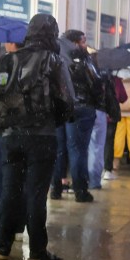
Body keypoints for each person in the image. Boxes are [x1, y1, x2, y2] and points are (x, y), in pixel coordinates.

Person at [0, 13, 73, 260]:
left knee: (9, 191)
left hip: (10, 136)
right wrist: (52, 120)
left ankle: (2, 247)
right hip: (42, 137)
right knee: (36, 193)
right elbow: (68, 101)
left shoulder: (6, 60)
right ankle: (36, 250)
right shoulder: (54, 61)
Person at [51, 30, 101, 202]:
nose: (85, 44)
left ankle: (56, 189)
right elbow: (94, 82)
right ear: (75, 42)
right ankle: (80, 190)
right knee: (78, 149)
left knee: (59, 149)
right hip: (81, 108)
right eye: (83, 41)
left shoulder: (55, 54)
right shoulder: (82, 58)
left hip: (59, 107)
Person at [0, 41, 26, 242]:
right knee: (19, 183)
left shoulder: (3, 64)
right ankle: (18, 224)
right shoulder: (33, 63)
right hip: (25, 132)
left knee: (5, 184)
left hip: (4, 131)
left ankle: (4, 234)